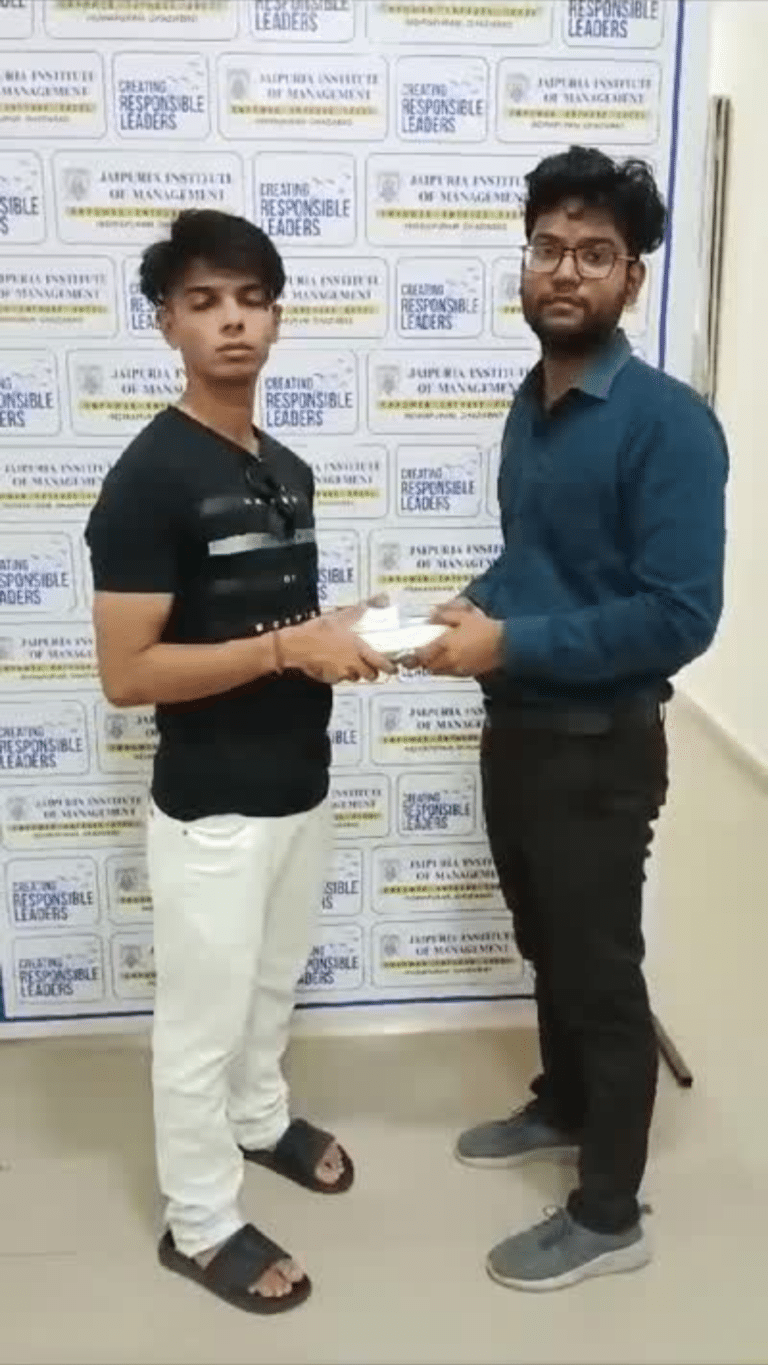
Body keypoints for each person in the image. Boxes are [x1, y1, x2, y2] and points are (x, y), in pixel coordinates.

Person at [415, 146, 728, 1292]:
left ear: (632, 280)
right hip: (519, 732)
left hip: (601, 751)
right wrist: (473, 607)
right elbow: (535, 562)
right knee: (545, 941)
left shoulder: (667, 424)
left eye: (596, 253)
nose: (566, 270)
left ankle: (608, 1215)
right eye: (549, 246)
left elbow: (680, 615)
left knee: (600, 972)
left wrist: (513, 643)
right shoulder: (533, 400)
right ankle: (564, 1105)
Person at [85, 209, 393, 1314]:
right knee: (199, 1026)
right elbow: (128, 672)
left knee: (270, 987)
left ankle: (260, 1120)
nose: (232, 322)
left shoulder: (285, 468)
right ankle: (200, 1220)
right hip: (212, 806)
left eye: (252, 300)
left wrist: (347, 634)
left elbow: (278, 627)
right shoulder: (147, 478)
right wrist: (286, 649)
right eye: (204, 301)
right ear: (166, 322)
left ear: (276, 318)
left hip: (300, 785)